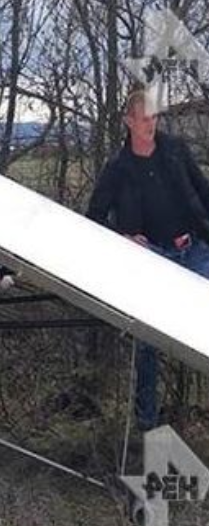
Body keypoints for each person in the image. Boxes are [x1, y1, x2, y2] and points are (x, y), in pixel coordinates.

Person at [87, 88, 209, 431]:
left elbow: (203, 191)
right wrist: (122, 236)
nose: (150, 124)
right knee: (148, 340)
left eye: (153, 117)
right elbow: (93, 216)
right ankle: (147, 423)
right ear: (129, 121)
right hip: (151, 258)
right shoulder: (118, 168)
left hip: (193, 249)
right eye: (143, 118)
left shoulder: (175, 151)